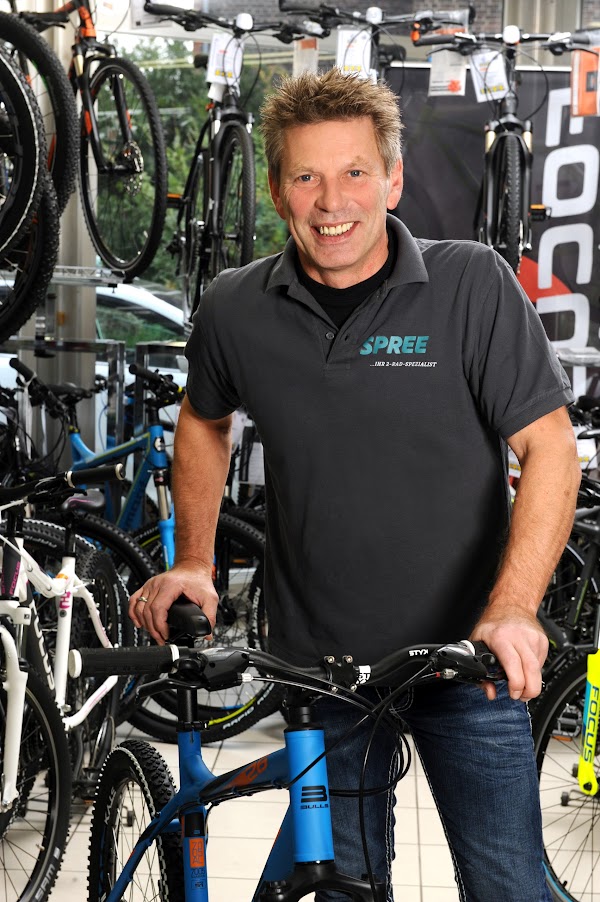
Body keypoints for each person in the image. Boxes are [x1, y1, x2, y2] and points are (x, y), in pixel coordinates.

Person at [130, 68, 581, 900]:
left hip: (466, 656)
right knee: (341, 884)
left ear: (394, 181)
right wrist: (194, 558)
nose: (331, 201)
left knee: (509, 885)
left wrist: (515, 607)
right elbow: (202, 420)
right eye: (306, 176)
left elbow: (550, 446)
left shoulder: (472, 284)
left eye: (355, 172)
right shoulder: (234, 307)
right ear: (277, 191)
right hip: (320, 669)